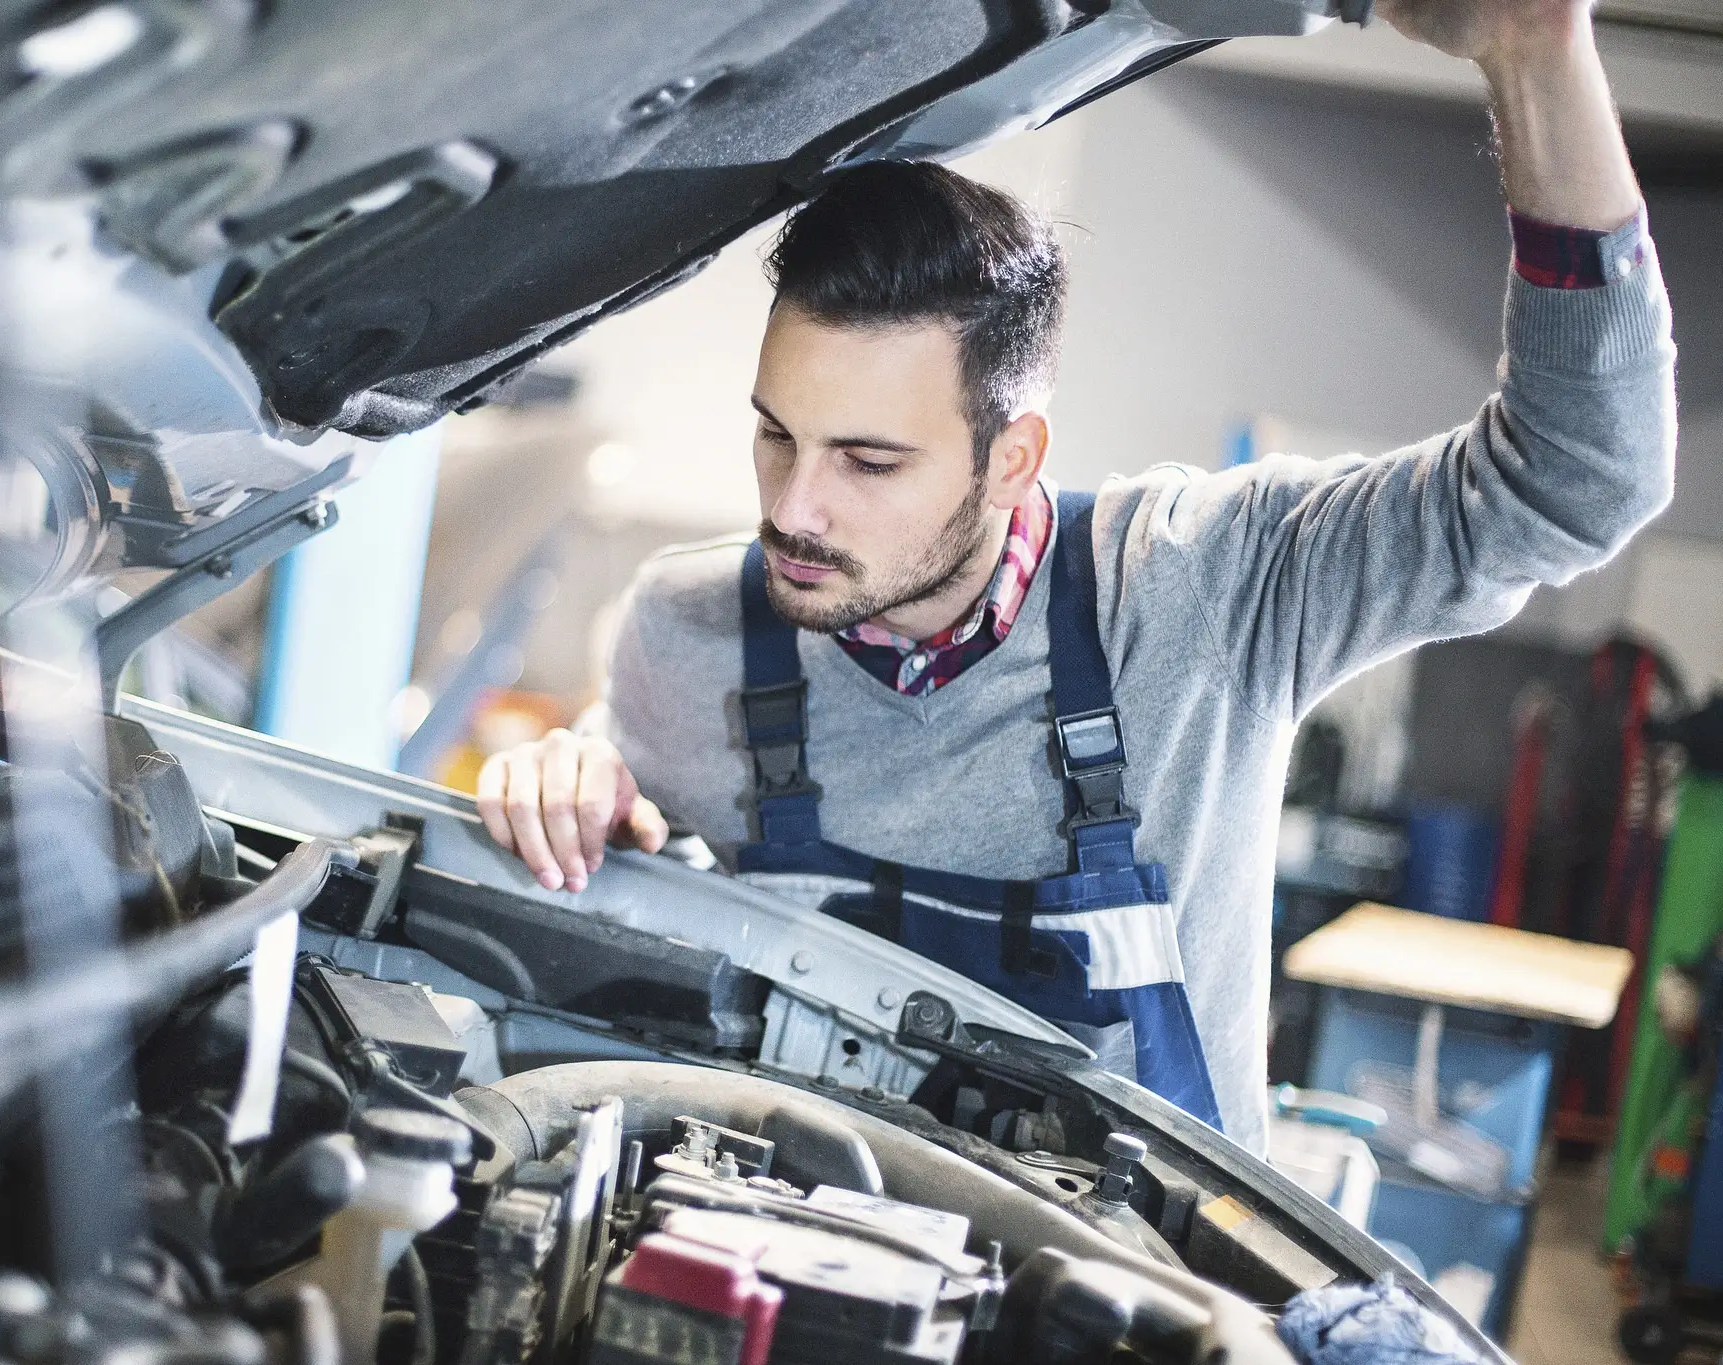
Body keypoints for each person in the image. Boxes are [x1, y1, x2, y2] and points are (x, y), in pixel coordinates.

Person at [474, 0, 1676, 1153]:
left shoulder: (1210, 589)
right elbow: (620, 834)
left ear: (1013, 458)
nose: (791, 509)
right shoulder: (691, 637)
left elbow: (1572, 480)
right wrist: (576, 781)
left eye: (869, 460)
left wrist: (1535, 52)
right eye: (776, 433)